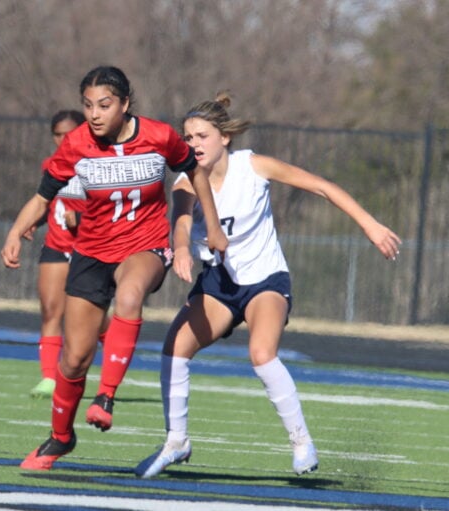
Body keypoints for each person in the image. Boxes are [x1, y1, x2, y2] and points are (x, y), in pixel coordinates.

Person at [134, 92, 402, 478]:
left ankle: (301, 442)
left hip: (265, 281)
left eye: (201, 135)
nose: (193, 144)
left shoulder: (253, 166)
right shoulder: (185, 183)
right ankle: (177, 441)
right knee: (174, 347)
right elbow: (179, 222)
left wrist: (370, 226)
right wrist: (181, 249)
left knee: (261, 353)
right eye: (188, 138)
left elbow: (323, 186)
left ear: (224, 137)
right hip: (220, 284)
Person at [0, 65, 227, 471]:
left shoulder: (159, 137)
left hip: (146, 246)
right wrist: (17, 231)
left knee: (130, 293)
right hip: (90, 255)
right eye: (88, 106)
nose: (94, 114)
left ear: (125, 104)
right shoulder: (76, 144)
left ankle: (105, 396)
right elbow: (42, 196)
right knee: (73, 360)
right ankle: (60, 438)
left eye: (104, 105)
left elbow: (194, 171)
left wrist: (210, 225)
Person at [30, 109, 86, 399]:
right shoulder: (50, 165)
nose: (64, 139)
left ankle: (112, 356)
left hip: (89, 249)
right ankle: (49, 378)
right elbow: (46, 203)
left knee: (91, 319)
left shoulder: (98, 163)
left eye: (70, 133)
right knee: (51, 310)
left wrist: (84, 220)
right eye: (58, 134)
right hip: (56, 245)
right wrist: (29, 223)